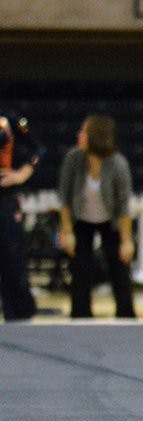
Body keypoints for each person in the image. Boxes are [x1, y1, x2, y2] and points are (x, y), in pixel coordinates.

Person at [58, 115, 136, 319]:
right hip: (81, 220)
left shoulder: (118, 163)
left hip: (110, 221)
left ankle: (126, 315)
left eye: (84, 132)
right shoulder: (73, 159)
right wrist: (67, 232)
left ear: (95, 136)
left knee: (120, 268)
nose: (79, 135)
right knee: (80, 269)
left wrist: (126, 241)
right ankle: (80, 315)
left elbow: (124, 206)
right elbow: (64, 199)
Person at [0, 110, 46, 321]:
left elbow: (38, 149)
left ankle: (19, 314)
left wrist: (22, 174)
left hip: (5, 198)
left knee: (11, 258)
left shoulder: (8, 121)